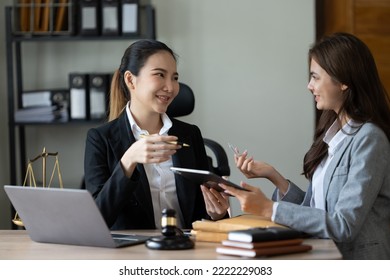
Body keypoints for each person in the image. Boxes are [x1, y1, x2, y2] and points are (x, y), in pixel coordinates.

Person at [220, 33, 390, 259]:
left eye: (315, 77)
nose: (309, 86)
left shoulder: (369, 139)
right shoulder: (333, 137)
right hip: (324, 256)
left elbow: (344, 225)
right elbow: (315, 212)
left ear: (343, 81)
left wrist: (269, 208)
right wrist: (273, 176)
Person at [84, 39, 228, 230]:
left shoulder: (189, 135)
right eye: (160, 75)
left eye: (175, 78)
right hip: (133, 253)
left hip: (185, 249)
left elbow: (204, 214)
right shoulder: (100, 139)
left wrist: (216, 214)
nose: (171, 87)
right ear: (130, 80)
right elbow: (96, 220)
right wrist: (129, 160)